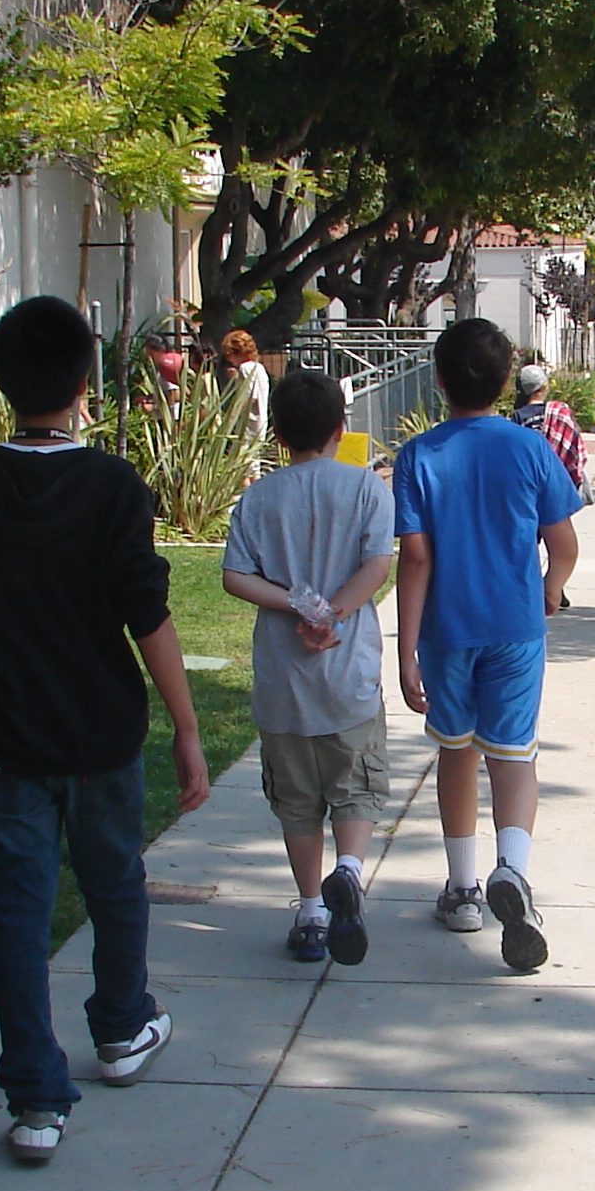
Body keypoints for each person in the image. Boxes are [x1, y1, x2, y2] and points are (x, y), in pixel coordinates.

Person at [0, 298, 212, 1166]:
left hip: (3, 731)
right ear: (86, 382)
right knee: (114, 883)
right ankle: (121, 1027)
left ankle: (35, 1101)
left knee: (17, 914)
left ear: (2, 379)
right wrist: (186, 727)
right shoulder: (114, 487)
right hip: (100, 731)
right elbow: (146, 615)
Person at [394, 318, 583, 970]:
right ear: (506, 381)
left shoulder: (418, 456)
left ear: (439, 380)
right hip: (514, 628)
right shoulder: (531, 449)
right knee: (514, 755)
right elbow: (564, 545)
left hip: (447, 632)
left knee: (457, 751)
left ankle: (463, 889)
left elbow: (415, 559)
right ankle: (514, 871)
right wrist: (551, 589)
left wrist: (405, 650)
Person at [222, 370, 396, 966]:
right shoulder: (366, 488)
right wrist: (334, 612)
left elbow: (235, 576)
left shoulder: (259, 497)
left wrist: (298, 604)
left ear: (277, 433)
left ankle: (312, 911)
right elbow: (378, 564)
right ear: (340, 429)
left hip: (283, 680)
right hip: (350, 673)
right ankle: (348, 871)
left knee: (297, 799)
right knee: (356, 787)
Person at [511, 363, 590, 498]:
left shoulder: (519, 415)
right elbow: (573, 443)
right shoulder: (559, 412)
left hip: (530, 476)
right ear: (545, 387)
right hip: (557, 478)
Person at [220, 329, 272, 435]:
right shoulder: (258, 367)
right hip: (261, 421)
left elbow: (249, 395)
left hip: (248, 423)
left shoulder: (245, 368)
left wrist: (232, 416)